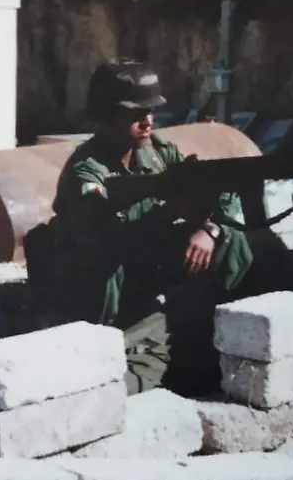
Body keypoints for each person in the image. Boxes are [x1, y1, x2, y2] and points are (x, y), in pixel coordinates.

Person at [43, 59, 255, 395]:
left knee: (233, 237)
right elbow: (102, 227)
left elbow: (215, 188)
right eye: (135, 114)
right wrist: (166, 209)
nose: (148, 121)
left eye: (151, 112)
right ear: (107, 115)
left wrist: (209, 229)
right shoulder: (85, 171)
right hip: (107, 297)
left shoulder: (156, 152)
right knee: (122, 382)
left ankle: (222, 323)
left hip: (148, 278)